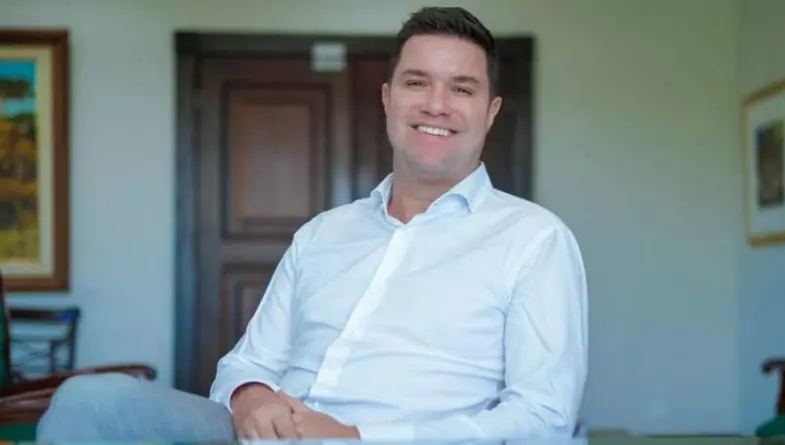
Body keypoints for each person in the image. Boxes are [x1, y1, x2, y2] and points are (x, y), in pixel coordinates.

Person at [36, 6, 587, 442]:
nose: (436, 105)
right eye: (417, 83)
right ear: (388, 99)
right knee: (90, 401)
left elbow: (543, 418)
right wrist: (251, 396)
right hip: (261, 437)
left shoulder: (534, 241)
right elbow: (246, 363)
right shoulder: (323, 234)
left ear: (491, 112)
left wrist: (357, 436)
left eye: (461, 88)